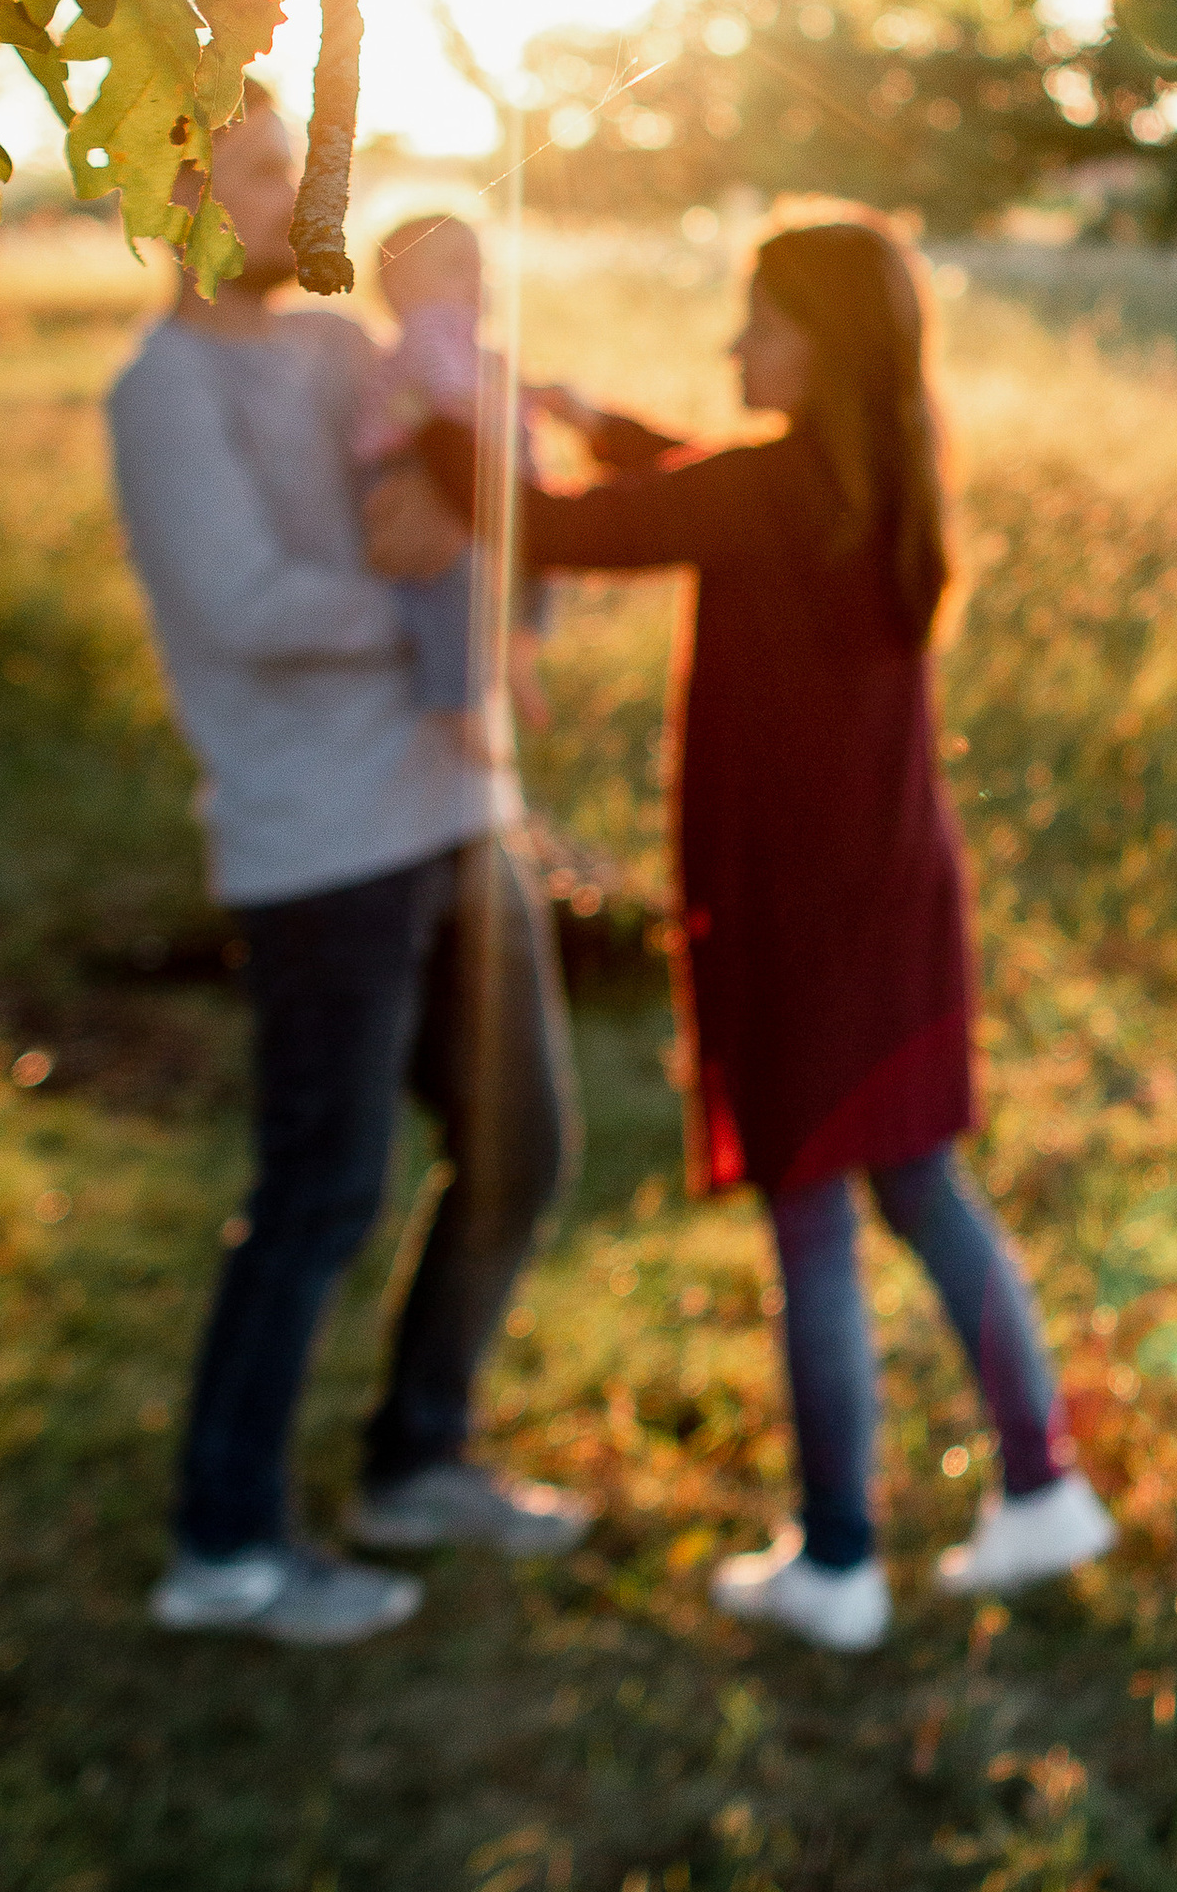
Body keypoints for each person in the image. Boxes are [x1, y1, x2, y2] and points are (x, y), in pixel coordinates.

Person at [374, 210, 1113, 1654]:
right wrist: (606, 420)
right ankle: (1041, 1489)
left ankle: (836, 1560)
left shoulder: (772, 491)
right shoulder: (878, 469)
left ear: (818, 340)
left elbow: (579, 532)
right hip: (892, 904)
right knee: (923, 1193)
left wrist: (450, 424)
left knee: (812, 1219)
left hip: (799, 920)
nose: (734, 346)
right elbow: (711, 488)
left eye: (757, 322)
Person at [105, 87, 590, 1648]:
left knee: (522, 1150)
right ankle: (225, 1542)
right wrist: (407, 591)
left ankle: (414, 1462)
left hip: (454, 810)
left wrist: (468, 529)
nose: (291, 198)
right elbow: (244, 603)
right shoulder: (161, 391)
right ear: (172, 196)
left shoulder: (333, 356)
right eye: (254, 175)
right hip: (318, 844)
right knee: (323, 1191)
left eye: (297, 167)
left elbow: (441, 484)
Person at [352, 210, 553, 740]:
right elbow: (451, 403)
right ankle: (455, 700)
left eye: (481, 267)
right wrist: (509, 409)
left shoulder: (478, 347)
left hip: (464, 474)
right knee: (445, 578)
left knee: (543, 560)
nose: (476, 282)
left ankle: (518, 655)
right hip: (411, 475)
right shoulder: (426, 330)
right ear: (397, 287)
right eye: (454, 267)